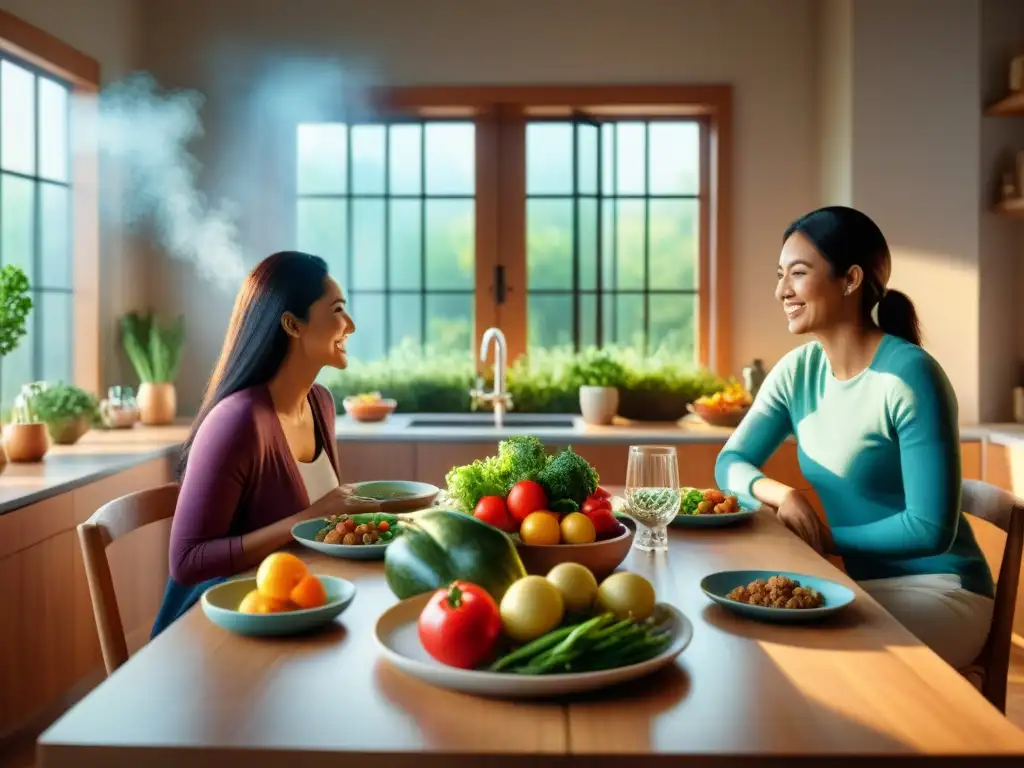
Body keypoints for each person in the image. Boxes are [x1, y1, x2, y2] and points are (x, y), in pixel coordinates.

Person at [715, 206, 995, 670]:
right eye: (780, 275)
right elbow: (732, 461)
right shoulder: (797, 372)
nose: (782, 290)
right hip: (861, 587)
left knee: (793, 649)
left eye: (798, 274)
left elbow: (930, 528)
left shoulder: (910, 377)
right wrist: (783, 496)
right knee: (753, 630)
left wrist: (824, 539)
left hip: (942, 593)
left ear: (850, 280)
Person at [151, 251, 377, 637]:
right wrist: (311, 518)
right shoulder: (238, 421)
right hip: (221, 627)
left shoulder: (320, 403)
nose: (350, 325)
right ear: (292, 324)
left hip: (294, 610)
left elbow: (321, 520)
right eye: (337, 309)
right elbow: (187, 562)